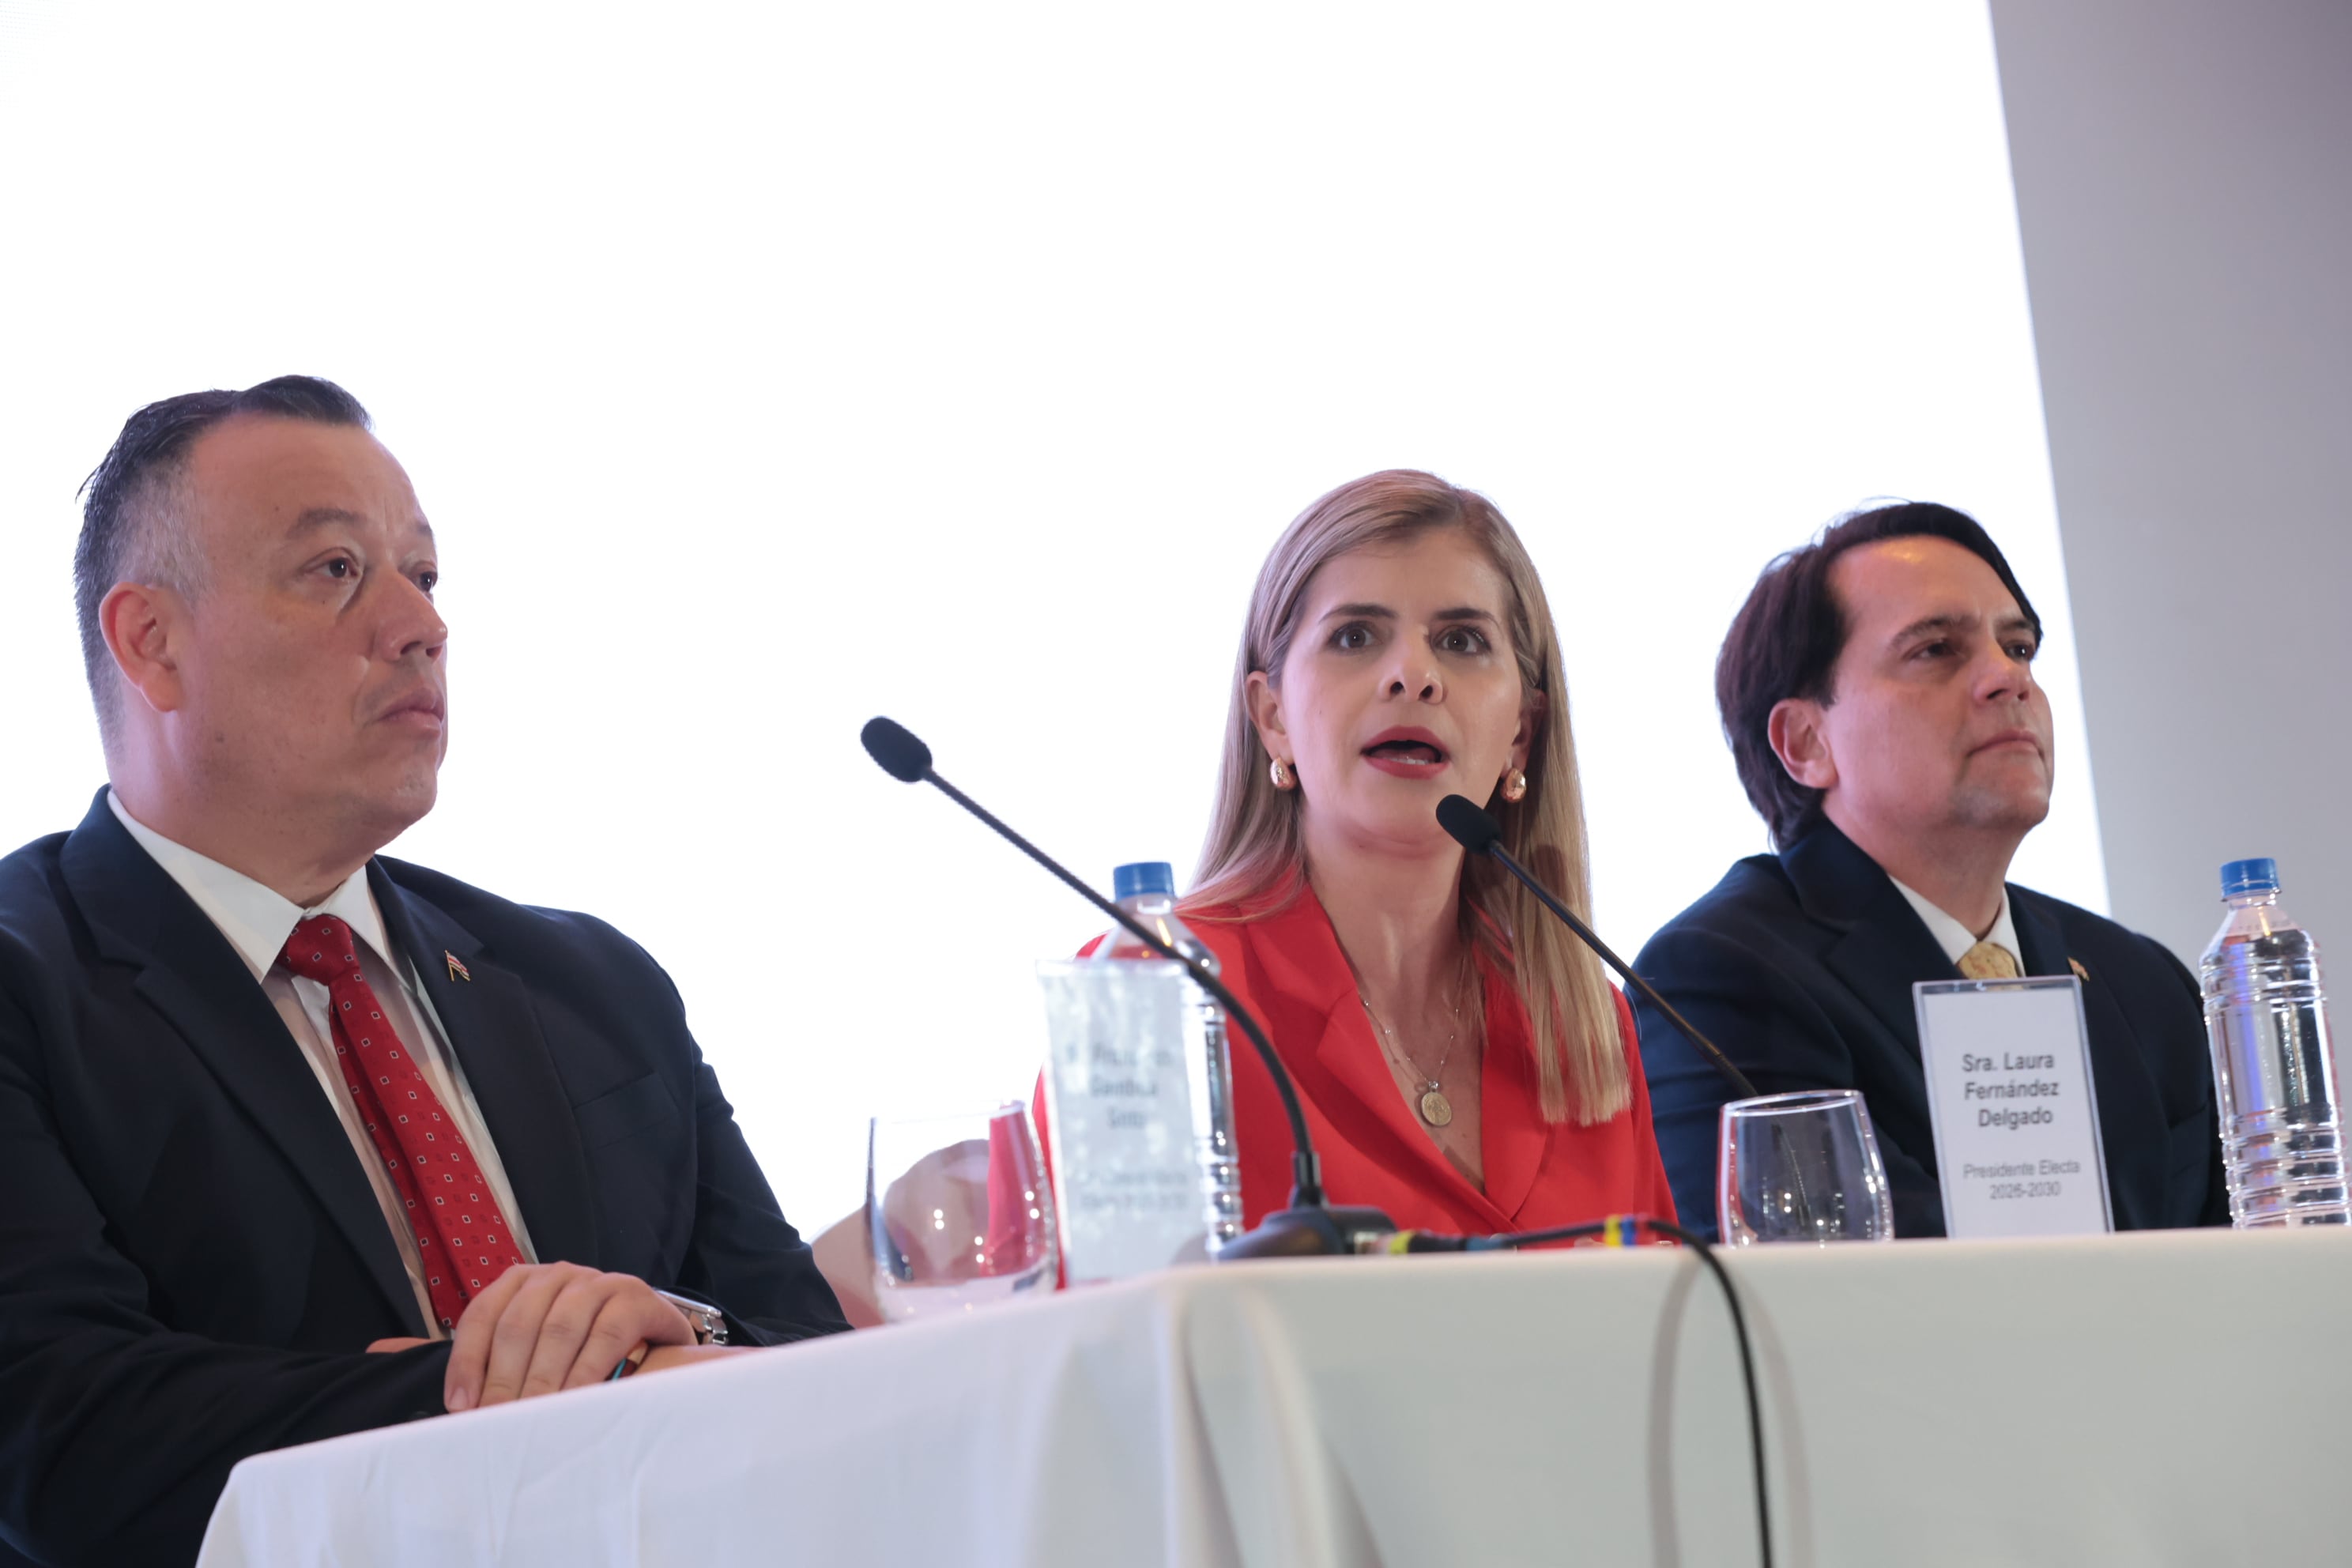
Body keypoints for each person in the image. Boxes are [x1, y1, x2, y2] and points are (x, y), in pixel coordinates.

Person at [0, 376, 847, 1568]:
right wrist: (533, 1389)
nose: (420, 626)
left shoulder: (594, 986)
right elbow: (66, 1444)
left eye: (425, 576)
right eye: (336, 570)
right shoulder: (28, 987)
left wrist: (680, 1332)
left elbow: (815, 1362)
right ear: (153, 642)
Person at [1633, 502, 2228, 1238]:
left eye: (2018, 648)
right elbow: (1850, 1298)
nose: (2006, 680)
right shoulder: (1722, 981)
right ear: (1805, 742)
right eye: (1937, 650)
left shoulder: (2143, 983)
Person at [1159, 469, 1675, 1236]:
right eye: (1355, 636)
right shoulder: (1161, 993)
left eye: (1462, 641)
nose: (1414, 675)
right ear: (1273, 719)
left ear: (1521, 735)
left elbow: (1678, 1326)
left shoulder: (1587, 1025)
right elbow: (1094, 1337)